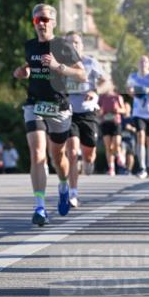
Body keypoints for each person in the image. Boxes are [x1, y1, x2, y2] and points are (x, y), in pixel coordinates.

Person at [13, 3, 86, 226]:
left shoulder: (63, 46)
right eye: (37, 20)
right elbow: (29, 66)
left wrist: (58, 67)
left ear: (53, 22)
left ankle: (64, 184)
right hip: (34, 104)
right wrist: (22, 72)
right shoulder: (30, 46)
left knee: (58, 157)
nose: (41, 23)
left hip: (59, 106)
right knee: (37, 153)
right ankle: (40, 207)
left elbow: (82, 75)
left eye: (45, 19)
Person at [63, 31, 106, 206]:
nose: (73, 46)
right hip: (68, 112)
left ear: (82, 46)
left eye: (76, 43)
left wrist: (94, 91)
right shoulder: (61, 65)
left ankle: (89, 161)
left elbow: (105, 82)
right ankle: (73, 193)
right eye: (69, 43)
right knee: (72, 152)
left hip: (88, 111)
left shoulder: (90, 63)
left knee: (88, 153)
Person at [127, 55, 149, 179]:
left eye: (145, 61)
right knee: (140, 136)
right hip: (138, 112)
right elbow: (129, 91)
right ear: (138, 64)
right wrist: (134, 92)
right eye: (141, 61)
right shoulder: (133, 77)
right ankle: (142, 168)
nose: (143, 63)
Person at [98, 85, 127, 176]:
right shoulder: (101, 97)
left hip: (116, 122)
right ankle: (111, 167)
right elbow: (97, 110)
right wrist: (100, 112)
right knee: (108, 147)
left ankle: (118, 154)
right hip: (105, 122)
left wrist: (118, 109)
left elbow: (124, 110)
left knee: (116, 143)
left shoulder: (118, 97)